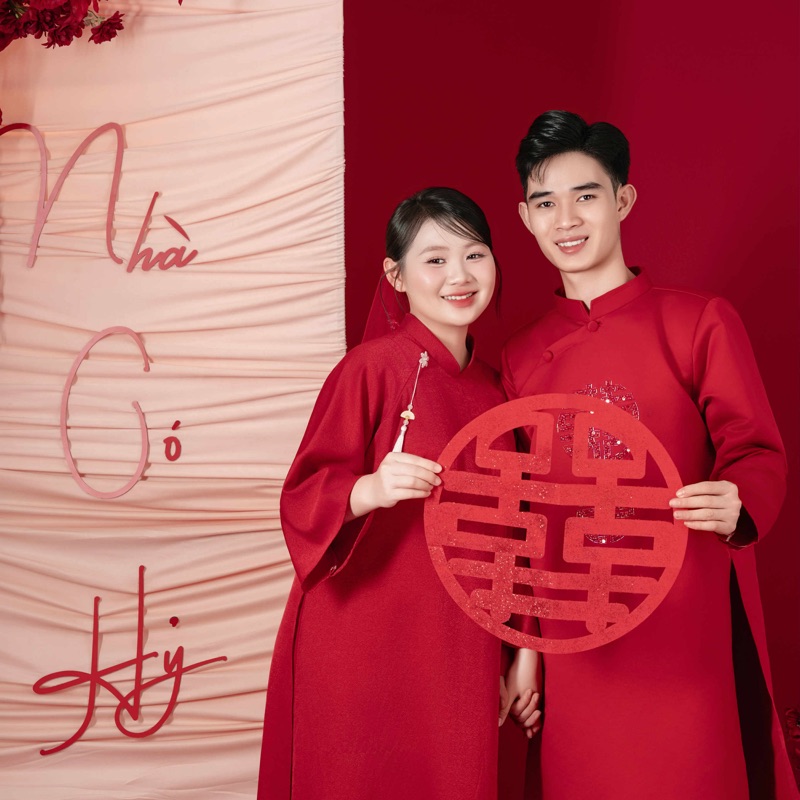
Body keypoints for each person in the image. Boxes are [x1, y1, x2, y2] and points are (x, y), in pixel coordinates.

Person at [501, 110, 797, 799]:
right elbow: (521, 518)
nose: (566, 220)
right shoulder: (519, 357)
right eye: (545, 203)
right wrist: (527, 649)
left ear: (624, 199)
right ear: (524, 217)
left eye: (586, 196)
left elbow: (756, 449)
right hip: (577, 640)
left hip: (685, 625)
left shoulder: (697, 321)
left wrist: (738, 499)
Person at [258, 187, 537, 800]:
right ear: (396, 276)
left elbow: (516, 535)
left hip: (460, 647)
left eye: (475, 254)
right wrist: (369, 488)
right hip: (365, 636)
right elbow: (302, 494)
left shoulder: (499, 393)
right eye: (435, 260)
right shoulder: (371, 367)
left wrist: (521, 650)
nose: (459, 276)